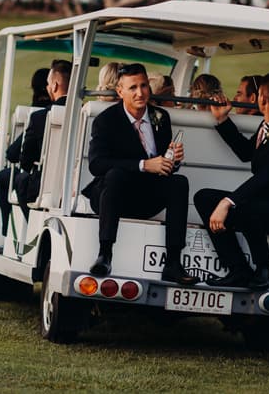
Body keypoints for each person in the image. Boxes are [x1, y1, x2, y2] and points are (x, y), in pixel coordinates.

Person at [193, 72, 269, 290]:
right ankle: (238, 269)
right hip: (267, 204)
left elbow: (264, 178)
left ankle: (265, 269)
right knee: (203, 198)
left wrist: (227, 202)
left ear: (262, 99)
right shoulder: (266, 127)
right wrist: (222, 119)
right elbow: (245, 152)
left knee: (245, 207)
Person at [81, 63, 196, 284]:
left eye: (144, 85)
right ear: (120, 92)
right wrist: (144, 164)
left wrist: (173, 160)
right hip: (113, 194)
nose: (140, 92)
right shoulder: (106, 120)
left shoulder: (160, 117)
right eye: (133, 87)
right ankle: (105, 253)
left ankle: (173, 262)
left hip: (147, 194)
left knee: (179, 182)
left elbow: (162, 165)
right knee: (115, 175)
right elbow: (97, 164)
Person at [0, 67, 52, 239]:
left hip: (39, 181)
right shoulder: (83, 112)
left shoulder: (38, 116)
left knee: (3, 177)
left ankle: (7, 231)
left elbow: (13, 154)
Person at [13, 59, 72, 218]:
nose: (47, 87)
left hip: (45, 189)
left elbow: (25, 160)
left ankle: (29, 226)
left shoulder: (40, 117)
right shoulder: (85, 114)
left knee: (21, 179)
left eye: (48, 83)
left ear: (54, 85)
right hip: (76, 187)